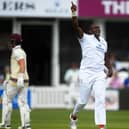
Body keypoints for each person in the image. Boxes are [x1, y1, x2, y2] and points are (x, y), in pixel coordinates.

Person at [69, 2, 113, 129]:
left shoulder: (104, 43)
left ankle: (101, 126)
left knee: (100, 99)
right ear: (90, 31)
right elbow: (76, 26)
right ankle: (73, 116)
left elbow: (105, 57)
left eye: (99, 28)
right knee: (83, 101)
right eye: (95, 28)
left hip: (99, 74)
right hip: (86, 73)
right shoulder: (85, 38)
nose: (98, 30)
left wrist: (110, 69)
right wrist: (73, 13)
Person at [0, 33, 31, 129]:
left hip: (16, 80)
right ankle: (26, 125)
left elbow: (21, 64)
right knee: (23, 103)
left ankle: (6, 124)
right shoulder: (22, 51)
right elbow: (20, 65)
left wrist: (20, 77)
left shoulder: (16, 52)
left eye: (11, 41)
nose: (10, 43)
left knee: (6, 100)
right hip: (25, 81)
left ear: (13, 42)